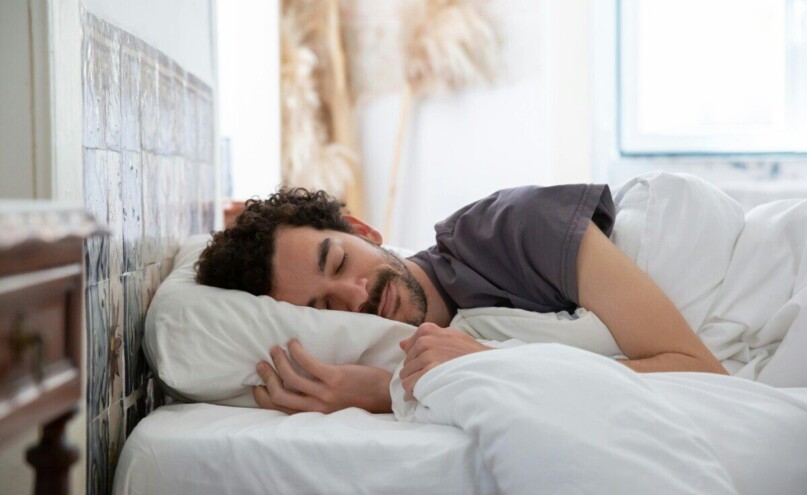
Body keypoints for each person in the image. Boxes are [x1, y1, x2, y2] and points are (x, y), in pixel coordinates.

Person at [196, 186, 727, 415]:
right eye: (324, 310)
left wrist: (482, 368)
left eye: (338, 263)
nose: (356, 297)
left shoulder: (513, 228)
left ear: (363, 231)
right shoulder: (415, 349)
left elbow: (699, 371)